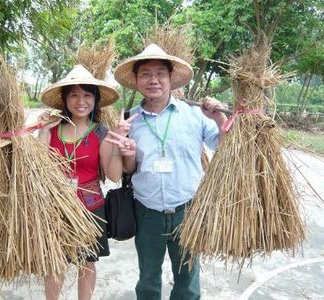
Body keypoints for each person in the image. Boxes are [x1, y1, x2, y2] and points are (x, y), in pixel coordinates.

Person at [109, 44, 228, 300]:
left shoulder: (194, 115)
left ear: (171, 78)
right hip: (146, 213)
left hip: (187, 212)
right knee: (148, 281)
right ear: (137, 80)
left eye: (160, 73)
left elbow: (224, 144)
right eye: (146, 74)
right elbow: (129, 170)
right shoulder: (130, 119)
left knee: (188, 283)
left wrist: (219, 117)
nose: (154, 80)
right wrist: (127, 153)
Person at [38, 64, 136, 300]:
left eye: (87, 94)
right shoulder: (53, 130)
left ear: (95, 99)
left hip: (90, 208)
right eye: (73, 94)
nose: (80, 101)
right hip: (55, 208)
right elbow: (38, 167)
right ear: (64, 99)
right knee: (54, 262)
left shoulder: (100, 132)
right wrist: (42, 131)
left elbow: (113, 175)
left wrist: (117, 142)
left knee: (87, 263)